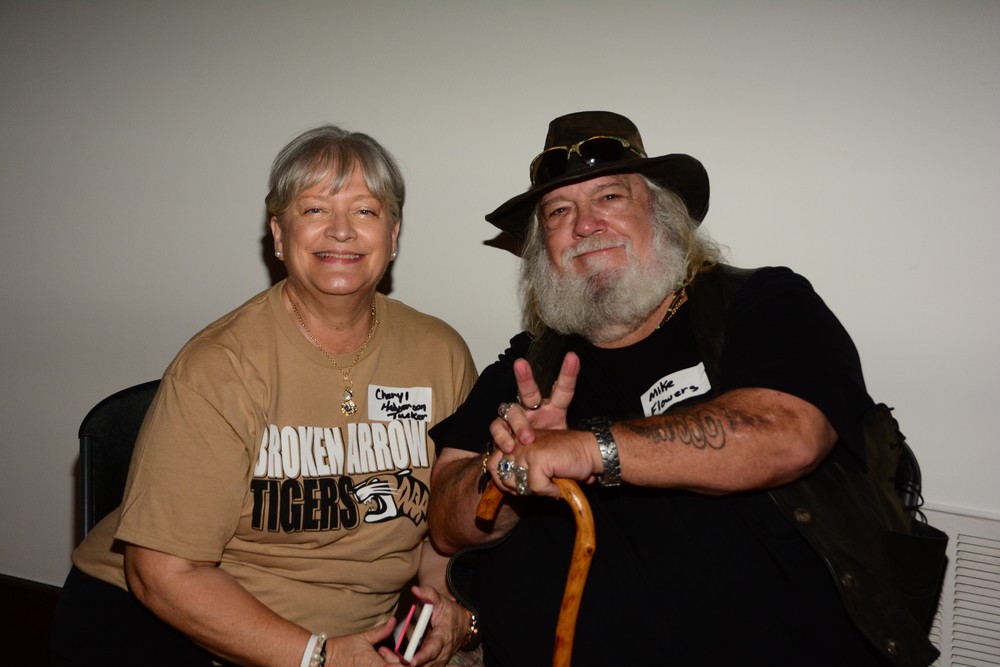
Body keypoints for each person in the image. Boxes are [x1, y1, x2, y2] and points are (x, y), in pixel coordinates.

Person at [427, 111, 939, 666]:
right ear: (540, 250)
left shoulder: (761, 305)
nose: (584, 225)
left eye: (610, 197)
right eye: (558, 212)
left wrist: (589, 449)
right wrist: (506, 473)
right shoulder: (528, 365)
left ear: (663, 215)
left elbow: (788, 434)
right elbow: (445, 522)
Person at [51, 124, 480, 667]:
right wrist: (318, 656)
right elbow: (162, 572)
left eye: (365, 211)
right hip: (166, 620)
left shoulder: (440, 355)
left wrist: (443, 612)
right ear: (279, 234)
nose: (341, 230)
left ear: (393, 235)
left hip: (351, 641)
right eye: (315, 209)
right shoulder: (219, 366)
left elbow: (442, 529)